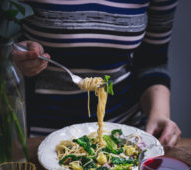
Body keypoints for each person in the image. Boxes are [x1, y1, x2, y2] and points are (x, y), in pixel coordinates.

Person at [13, 0, 181, 149]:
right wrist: (13, 56)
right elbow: (3, 38)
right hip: (41, 133)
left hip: (122, 133)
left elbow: (152, 61)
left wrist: (159, 114)